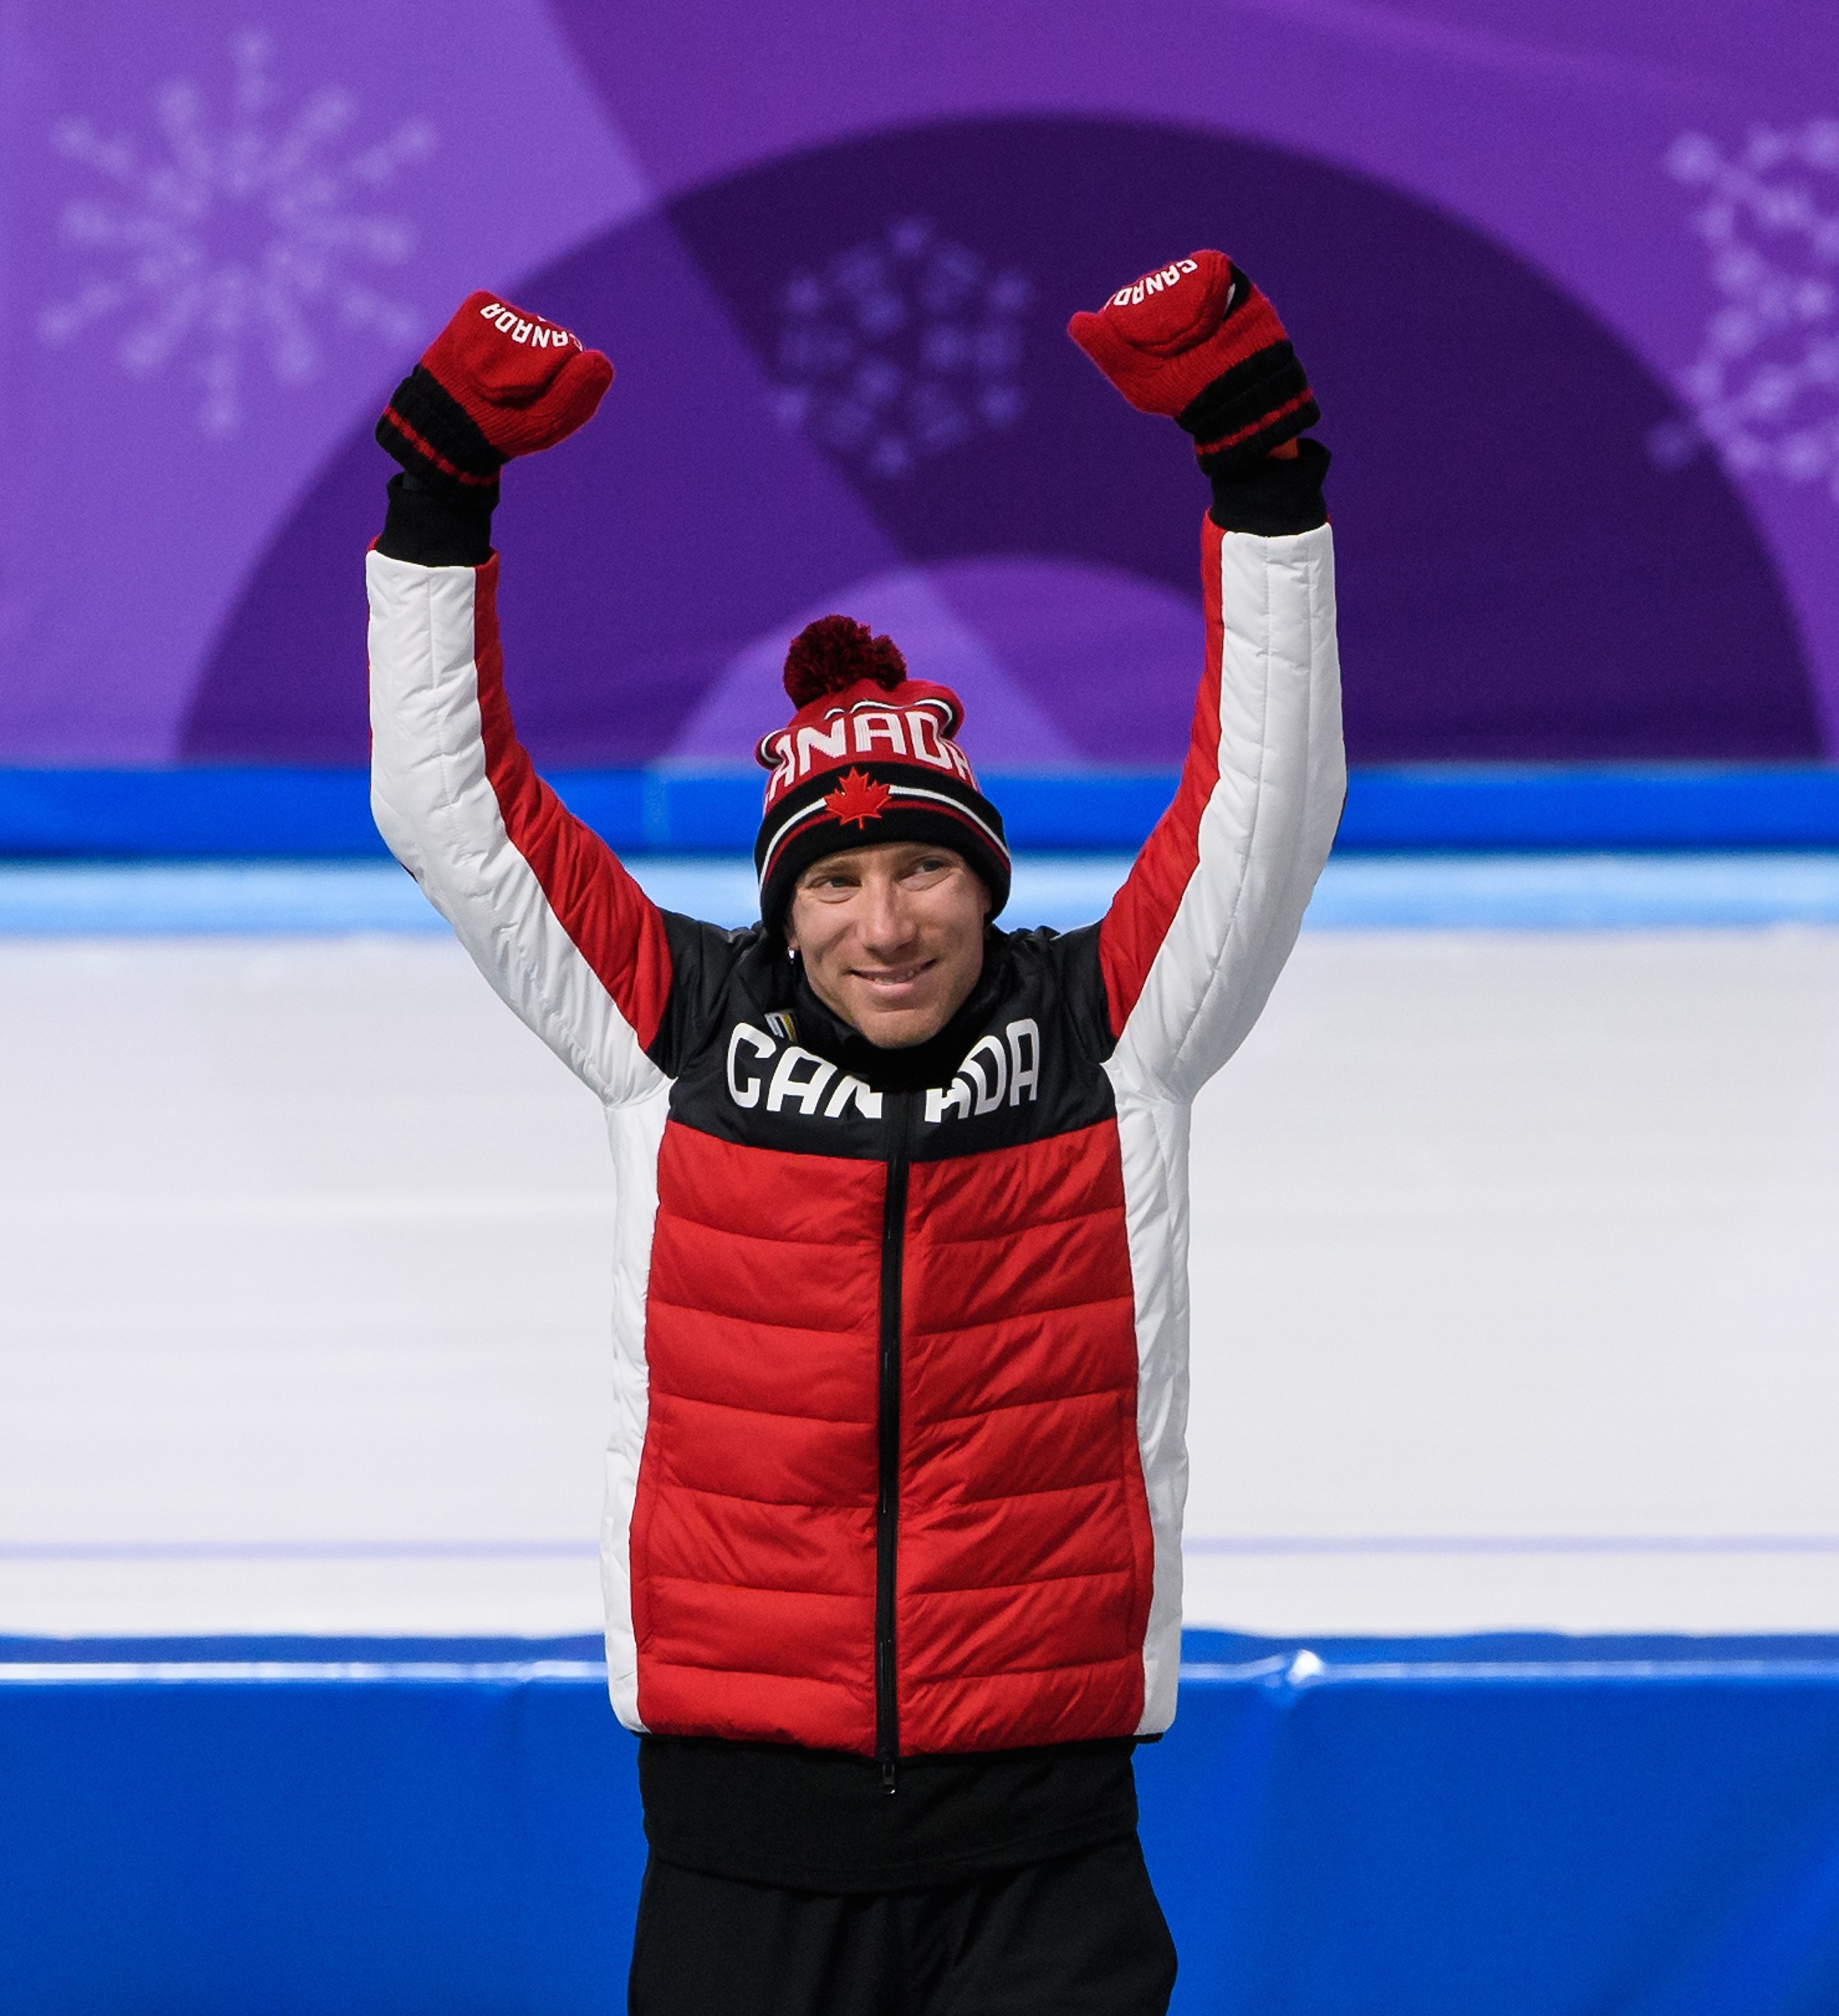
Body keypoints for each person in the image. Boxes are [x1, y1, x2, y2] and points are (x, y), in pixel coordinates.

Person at [367, 250, 1342, 2015]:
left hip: (1039, 1837)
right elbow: (449, 808)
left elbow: (1264, 804)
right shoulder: (672, 1030)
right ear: (781, 901)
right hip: (746, 1841)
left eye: (921, 869)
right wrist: (440, 492)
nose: (881, 921)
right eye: (833, 876)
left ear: (982, 883)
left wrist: (1257, 469)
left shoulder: (1107, 1031)